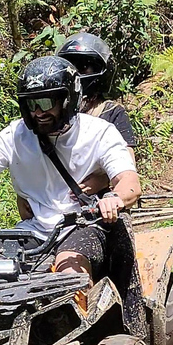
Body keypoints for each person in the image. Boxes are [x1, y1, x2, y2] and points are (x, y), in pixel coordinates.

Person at [0, 55, 141, 279]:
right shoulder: (16, 134)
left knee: (69, 275)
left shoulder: (99, 133)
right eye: (32, 104)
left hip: (82, 224)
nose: (38, 112)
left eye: (46, 102)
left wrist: (114, 198)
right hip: (34, 229)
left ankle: (85, 318)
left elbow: (129, 181)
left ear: (68, 99)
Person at [17, 32, 137, 220]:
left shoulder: (110, 113)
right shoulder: (47, 113)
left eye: (84, 67)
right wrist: (25, 193)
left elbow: (127, 167)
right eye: (71, 66)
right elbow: (31, 155)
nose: (78, 73)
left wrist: (102, 181)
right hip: (50, 206)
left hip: (98, 207)